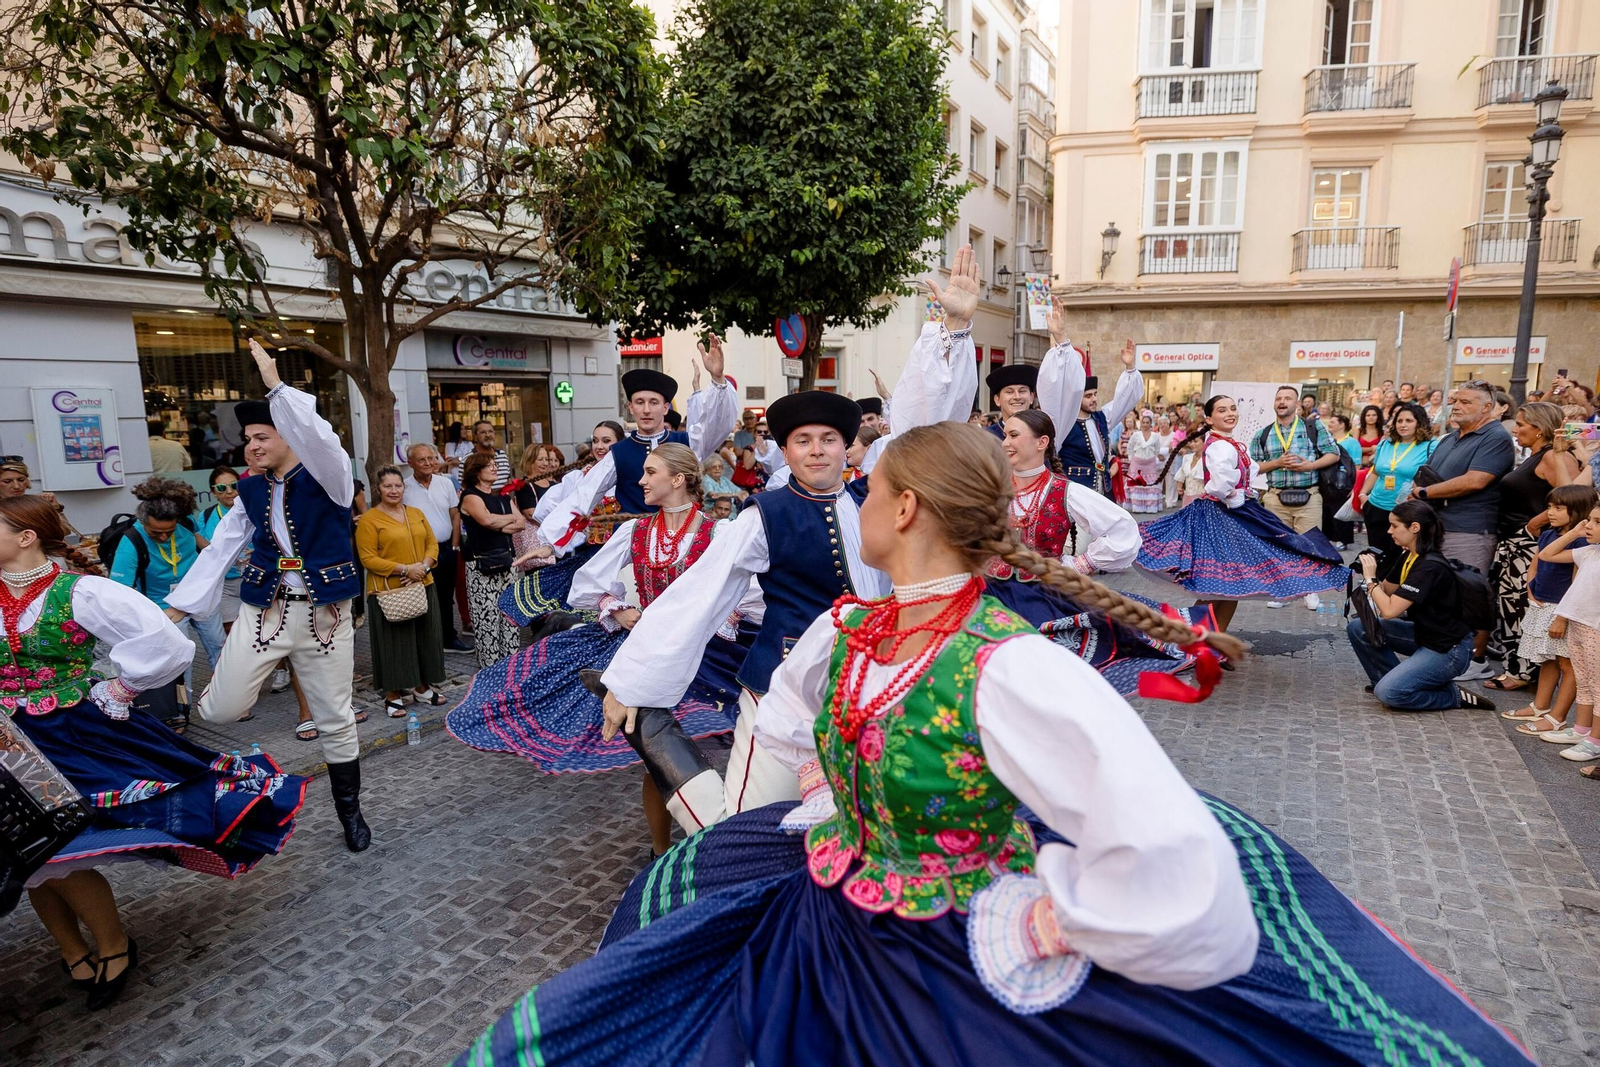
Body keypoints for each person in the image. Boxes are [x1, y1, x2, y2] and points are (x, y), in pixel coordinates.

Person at [452, 423, 1532, 1067]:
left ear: (905, 506)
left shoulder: (1010, 665)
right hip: (825, 927)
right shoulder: (847, 631)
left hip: (946, 959)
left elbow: (1172, 853)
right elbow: (791, 757)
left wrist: (1058, 912)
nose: (857, 495)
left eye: (872, 485)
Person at [597, 245, 984, 836]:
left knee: (857, 823)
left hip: (869, 683)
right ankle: (657, 738)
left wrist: (952, 332)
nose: (817, 450)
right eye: (802, 441)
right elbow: (702, 591)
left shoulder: (878, 501)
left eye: (829, 439)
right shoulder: (765, 514)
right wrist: (632, 682)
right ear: (787, 450)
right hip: (780, 690)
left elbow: (925, 430)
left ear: (847, 446)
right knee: (745, 824)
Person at [3, 496, 305, 1011]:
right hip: (9, 743)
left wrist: (119, 690)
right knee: (19, 853)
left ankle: (115, 945)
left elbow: (165, 643)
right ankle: (73, 949)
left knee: (62, 852)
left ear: (26, 536)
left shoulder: (81, 591)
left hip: (67, 736)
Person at [447, 444, 756, 857]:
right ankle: (662, 851)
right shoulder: (635, 532)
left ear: (678, 479)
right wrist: (619, 608)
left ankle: (714, 837)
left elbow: (748, 594)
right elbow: (588, 585)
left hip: (701, 655)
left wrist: (719, 617)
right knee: (657, 758)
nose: (641, 480)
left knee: (703, 752)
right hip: (642, 651)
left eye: (650, 472)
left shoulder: (720, 533)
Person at [166, 339, 373, 854]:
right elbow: (220, 550)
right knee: (217, 712)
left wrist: (277, 387)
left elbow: (320, 438)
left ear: (289, 435)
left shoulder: (331, 477)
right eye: (247, 439)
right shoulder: (250, 489)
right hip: (266, 612)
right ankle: (259, 783)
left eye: (262, 436)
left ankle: (351, 812)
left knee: (334, 719)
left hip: (325, 615)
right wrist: (179, 608)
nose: (251, 446)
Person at [991, 409, 1207, 692]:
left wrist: (1081, 564)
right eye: (1005, 435)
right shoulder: (992, 488)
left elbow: (1123, 529)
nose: (1005, 442)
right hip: (989, 592)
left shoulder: (1064, 491)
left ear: (1041, 442)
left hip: (1039, 595)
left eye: (1014, 435)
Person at [1138, 395, 1347, 632]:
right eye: (1222, 410)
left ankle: (1213, 642)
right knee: (1217, 585)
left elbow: (1251, 468)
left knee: (1230, 585)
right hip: (1221, 516)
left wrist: (1273, 465)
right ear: (1209, 418)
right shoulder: (1219, 446)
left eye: (1233, 409)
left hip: (1229, 514)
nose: (1230, 414)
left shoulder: (1231, 444)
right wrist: (1239, 493)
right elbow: (1219, 486)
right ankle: (1192, 642)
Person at [1408, 382, 1516, 682]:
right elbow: (1427, 472)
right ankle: (1441, 654)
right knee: (1439, 595)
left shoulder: (1495, 437)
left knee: (1470, 594)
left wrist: (1425, 493)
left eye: (1466, 402)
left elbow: (1476, 480)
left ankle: (1475, 658)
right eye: (1455, 401)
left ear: (1487, 407)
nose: (1456, 406)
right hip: (1438, 526)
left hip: (1469, 529)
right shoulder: (1450, 438)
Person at [1348, 501, 1495, 712]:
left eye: (1394, 526)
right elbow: (1387, 592)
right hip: (1423, 635)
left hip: (1449, 650)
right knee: (1359, 627)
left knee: (1389, 694)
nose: (1389, 531)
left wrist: (1370, 580)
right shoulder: (1408, 555)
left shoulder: (1430, 566)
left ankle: (1450, 695)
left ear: (1415, 527)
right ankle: (1392, 680)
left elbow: (1390, 611)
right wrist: (1372, 569)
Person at [1480, 401, 1582, 691]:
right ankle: (1521, 667)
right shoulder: (1536, 455)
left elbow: (1572, 499)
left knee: (1520, 606)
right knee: (1511, 606)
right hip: (1516, 542)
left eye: (1522, 423)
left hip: (1529, 544)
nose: (1516, 428)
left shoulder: (1552, 457)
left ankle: (1521, 671)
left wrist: (1534, 524)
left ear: (1539, 429)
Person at [108, 477, 226, 700]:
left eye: (169, 531)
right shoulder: (131, 541)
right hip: (162, 607)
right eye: (155, 532)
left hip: (198, 597)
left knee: (220, 648)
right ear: (143, 522)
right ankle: (182, 710)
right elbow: (119, 591)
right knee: (179, 662)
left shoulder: (187, 522)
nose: (163, 536)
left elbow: (208, 551)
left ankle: (225, 699)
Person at [1502, 485, 1597, 737]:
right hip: (1542, 603)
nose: (1550, 513)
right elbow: (1539, 559)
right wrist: (1531, 584)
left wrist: (1562, 617)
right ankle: (1541, 706)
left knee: (1567, 664)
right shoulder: (1550, 533)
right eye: (1549, 507)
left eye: (1558, 508)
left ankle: (1558, 717)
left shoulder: (1581, 542)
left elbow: (1578, 584)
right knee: (1548, 658)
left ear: (1578, 512)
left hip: (1560, 609)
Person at [356, 465, 449, 716]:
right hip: (389, 592)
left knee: (425, 639)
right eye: (388, 486)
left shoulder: (416, 513)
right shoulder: (369, 520)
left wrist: (424, 567)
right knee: (393, 644)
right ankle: (393, 694)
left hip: (422, 584)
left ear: (403, 488)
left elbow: (432, 543)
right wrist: (405, 570)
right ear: (378, 489)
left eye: (398, 486)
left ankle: (422, 687)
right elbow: (368, 558)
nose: (394, 490)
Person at [1248, 385, 1342, 611]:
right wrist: (1277, 463)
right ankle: (1283, 591)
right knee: (1280, 546)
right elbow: (1253, 467)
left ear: (1297, 404)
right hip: (1275, 497)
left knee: (1310, 544)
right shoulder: (1263, 434)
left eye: (1287, 398)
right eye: (1278, 398)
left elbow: (1333, 454)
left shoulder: (1313, 427)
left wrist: (1310, 465)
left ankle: (1310, 590)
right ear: (1274, 403)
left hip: (1308, 495)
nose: (1282, 402)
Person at [459, 451, 533, 667]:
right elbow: (485, 520)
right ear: (476, 470)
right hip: (482, 564)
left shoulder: (502, 497)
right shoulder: (470, 496)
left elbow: (520, 524)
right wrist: (507, 519)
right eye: (488, 465)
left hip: (507, 562)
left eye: (494, 464)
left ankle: (509, 669)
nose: (494, 467)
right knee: (487, 620)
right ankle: (489, 672)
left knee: (509, 617)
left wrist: (500, 522)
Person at [1544, 501, 1600, 773]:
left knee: (1599, 684)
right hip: (1578, 625)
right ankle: (1581, 728)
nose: (1589, 525)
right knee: (1584, 679)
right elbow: (1547, 554)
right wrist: (1575, 532)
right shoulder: (1588, 552)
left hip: (1596, 628)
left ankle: (1595, 740)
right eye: (1589, 520)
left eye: (1597, 522)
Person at [403, 443, 472, 654]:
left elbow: (455, 514)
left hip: (446, 548)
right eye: (422, 459)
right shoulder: (403, 487)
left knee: (445, 596)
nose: (428, 463)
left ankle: (448, 638)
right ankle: (426, 642)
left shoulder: (446, 483)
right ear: (410, 463)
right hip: (418, 552)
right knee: (422, 595)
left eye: (432, 458)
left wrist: (455, 544)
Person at [1357, 403, 1437, 558]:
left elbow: (1430, 478)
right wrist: (1362, 495)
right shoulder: (1386, 444)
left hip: (1406, 512)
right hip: (1375, 506)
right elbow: (1375, 471)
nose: (1403, 425)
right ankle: (1375, 580)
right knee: (1376, 553)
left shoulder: (1431, 446)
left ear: (1419, 423)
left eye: (1409, 421)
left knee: (1400, 556)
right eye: (1399, 421)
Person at [196, 464, 249, 633]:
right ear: (213, 492)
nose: (229, 491)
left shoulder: (252, 509)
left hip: (255, 578)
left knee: (261, 628)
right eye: (221, 488)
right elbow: (197, 537)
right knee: (231, 630)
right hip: (225, 582)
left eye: (234, 485)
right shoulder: (206, 515)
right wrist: (218, 553)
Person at [1123, 411, 1167, 514]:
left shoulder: (1155, 436)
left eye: (1147, 422)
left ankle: (1150, 507)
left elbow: (1157, 449)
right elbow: (1130, 447)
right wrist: (1131, 459)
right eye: (1144, 422)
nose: (1145, 425)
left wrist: (1155, 457)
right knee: (1136, 484)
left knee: (1151, 484)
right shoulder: (1136, 435)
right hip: (1137, 462)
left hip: (1150, 463)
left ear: (1150, 424)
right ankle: (1137, 507)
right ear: (1141, 423)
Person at [983, 364, 1038, 441]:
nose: (1017, 397)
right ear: (997, 400)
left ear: (1031, 397)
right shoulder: (985, 437)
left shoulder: (1042, 433)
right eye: (1009, 392)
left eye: (1022, 391)